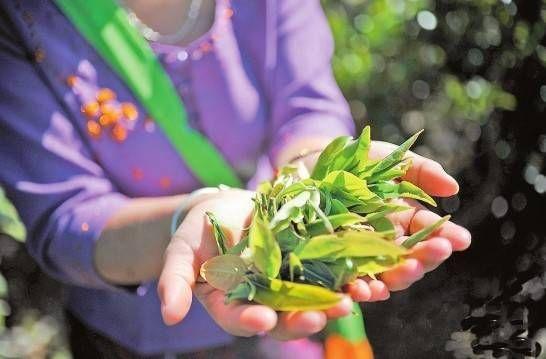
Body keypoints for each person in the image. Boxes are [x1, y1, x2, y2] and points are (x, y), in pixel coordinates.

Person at [0, 0, 471, 357]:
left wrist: (318, 169)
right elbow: (64, 220)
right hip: (135, 340)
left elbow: (307, 107)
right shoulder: (24, 20)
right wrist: (187, 220)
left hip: (284, 295)